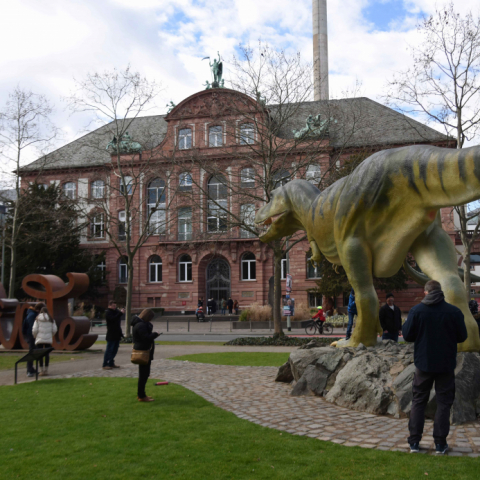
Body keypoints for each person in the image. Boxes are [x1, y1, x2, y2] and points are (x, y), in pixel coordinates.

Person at [402, 280, 467, 455]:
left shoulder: (416, 311)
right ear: (441, 292)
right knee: (444, 403)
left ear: (425, 293)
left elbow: (407, 335)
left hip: (423, 363)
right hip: (445, 363)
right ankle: (440, 444)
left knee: (418, 401)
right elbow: (462, 336)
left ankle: (414, 442)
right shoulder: (453, 312)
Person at [132, 309, 160, 402]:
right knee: (143, 375)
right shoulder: (141, 325)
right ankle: (141, 395)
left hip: (144, 351)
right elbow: (146, 338)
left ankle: (141, 394)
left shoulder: (141, 324)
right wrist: (155, 334)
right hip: (143, 352)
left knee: (145, 374)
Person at [32, 307, 57, 376]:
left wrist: (35, 336)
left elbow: (34, 330)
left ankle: (41, 370)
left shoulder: (37, 319)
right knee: (47, 354)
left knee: (40, 355)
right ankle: (46, 370)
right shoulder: (51, 319)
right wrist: (51, 335)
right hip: (48, 339)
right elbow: (54, 329)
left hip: (39, 339)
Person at [22, 302, 45, 377]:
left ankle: (31, 368)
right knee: (32, 351)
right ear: (38, 310)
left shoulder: (32, 314)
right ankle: (29, 370)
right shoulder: (32, 315)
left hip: (31, 335)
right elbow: (33, 327)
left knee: (33, 351)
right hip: (31, 336)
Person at [103, 300, 125, 370]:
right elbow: (113, 319)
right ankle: (105, 364)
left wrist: (122, 311)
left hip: (117, 334)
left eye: (115, 306)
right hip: (111, 334)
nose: (114, 307)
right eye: (113, 306)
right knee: (109, 349)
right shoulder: (108, 312)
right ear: (109, 306)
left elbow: (117, 322)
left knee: (115, 350)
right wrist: (120, 313)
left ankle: (111, 363)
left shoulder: (116, 311)